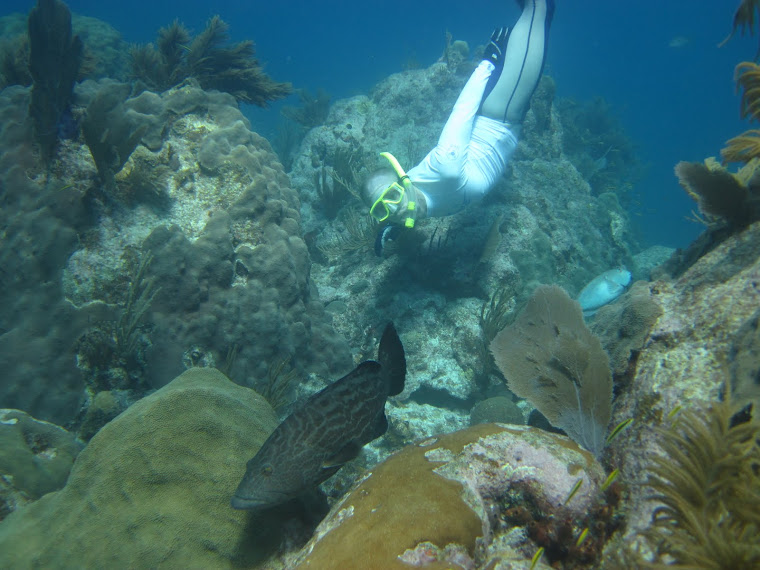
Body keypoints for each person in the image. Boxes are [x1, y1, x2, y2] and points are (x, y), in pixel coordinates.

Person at [363, 0, 554, 234]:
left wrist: (489, 61)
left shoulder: (446, 167)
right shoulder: (409, 202)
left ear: (403, 183)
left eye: (393, 196)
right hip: (503, 115)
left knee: (540, 8)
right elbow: (411, 208)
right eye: (381, 210)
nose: (395, 210)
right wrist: (391, 229)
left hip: (501, 111)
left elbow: (462, 112)